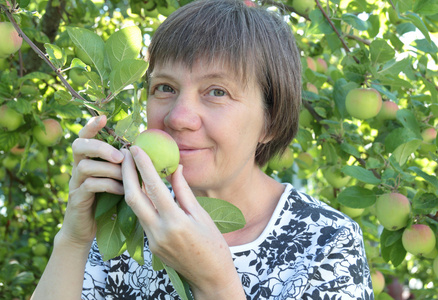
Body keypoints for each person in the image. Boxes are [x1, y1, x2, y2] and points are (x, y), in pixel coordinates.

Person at [31, 0, 374, 299]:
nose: (179, 117)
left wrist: (216, 284)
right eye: (165, 87)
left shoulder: (326, 242)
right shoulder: (125, 219)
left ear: (270, 121)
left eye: (217, 92)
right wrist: (74, 240)